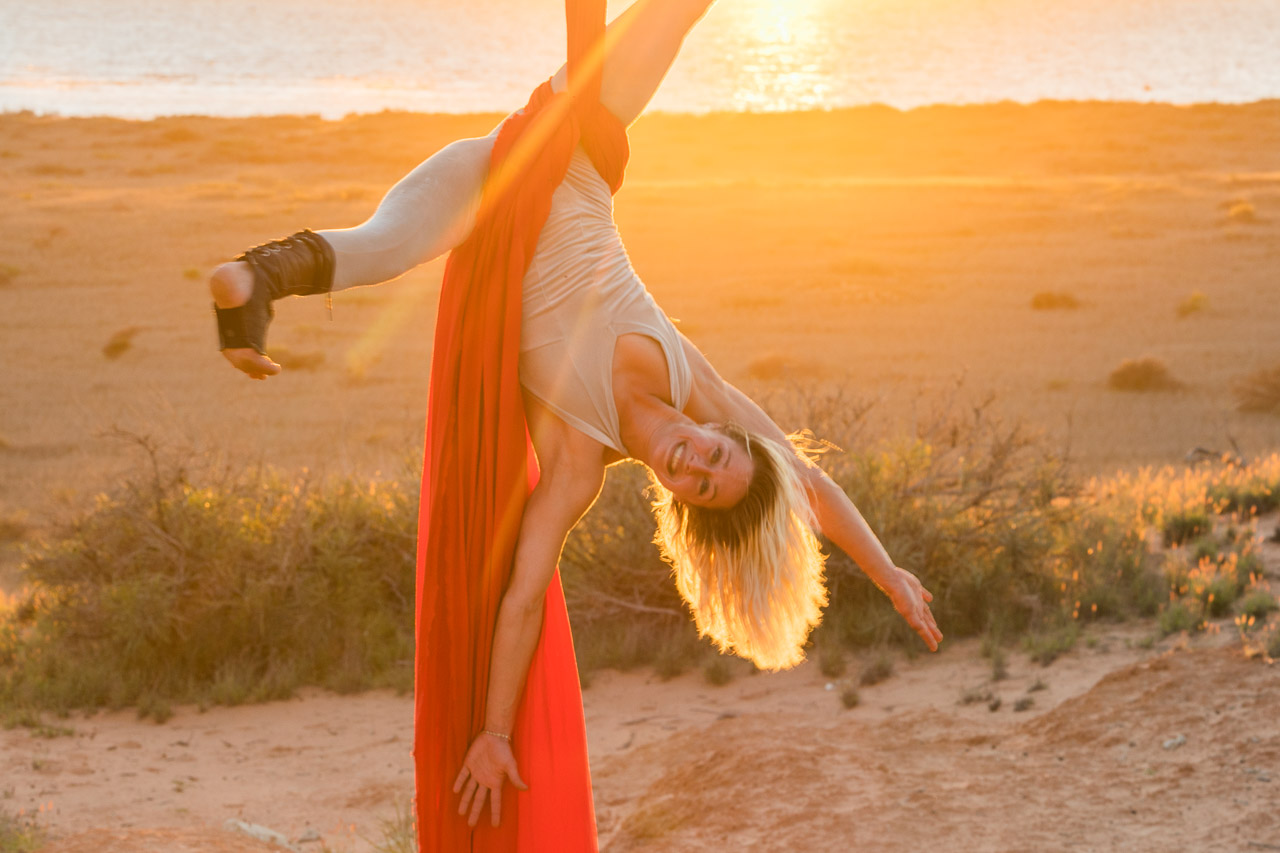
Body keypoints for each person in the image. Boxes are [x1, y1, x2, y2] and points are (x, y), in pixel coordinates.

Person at [210, 0, 942, 839]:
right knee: (672, 17)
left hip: (489, 199)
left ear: (678, 503)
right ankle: (259, 279)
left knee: (388, 244)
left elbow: (522, 599)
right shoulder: (693, 378)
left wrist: (491, 732)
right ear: (722, 433)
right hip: (568, 143)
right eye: (714, 454)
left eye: (698, 487)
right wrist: (886, 572)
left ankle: (252, 279)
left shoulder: (576, 464)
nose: (691, 460)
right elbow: (804, 482)